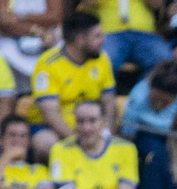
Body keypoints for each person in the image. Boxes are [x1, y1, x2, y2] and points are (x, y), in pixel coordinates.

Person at [28, 12, 115, 160]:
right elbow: (51, 115)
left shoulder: (102, 59)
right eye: (97, 36)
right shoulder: (48, 64)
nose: (103, 40)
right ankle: (51, 182)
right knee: (45, 143)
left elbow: (108, 101)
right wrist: (79, 140)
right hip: (51, 128)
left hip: (91, 126)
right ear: (81, 39)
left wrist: (105, 129)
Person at [119, 58, 177, 158]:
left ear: (176, 95)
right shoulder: (138, 97)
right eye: (155, 99)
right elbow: (127, 135)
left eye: (165, 102)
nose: (158, 105)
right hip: (150, 135)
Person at [82, 0, 172, 72]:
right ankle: (108, 93)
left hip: (144, 33)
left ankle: (138, 94)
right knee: (105, 60)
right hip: (110, 32)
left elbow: (157, 3)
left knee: (164, 61)